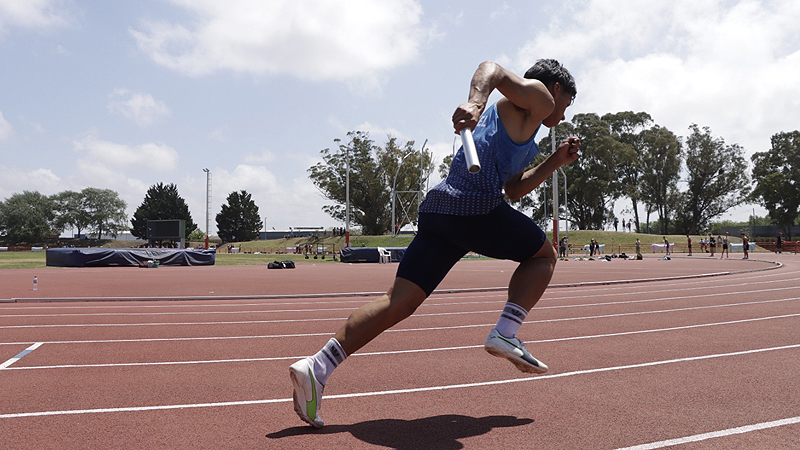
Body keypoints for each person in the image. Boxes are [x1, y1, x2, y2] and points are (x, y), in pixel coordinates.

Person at [289, 59, 580, 428]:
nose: (564, 112)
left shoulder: (526, 129)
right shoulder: (539, 97)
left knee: (399, 301)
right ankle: (507, 332)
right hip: (475, 208)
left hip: (442, 209)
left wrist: (556, 160)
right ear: (557, 89)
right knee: (544, 256)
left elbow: (514, 189)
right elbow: (491, 69)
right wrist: (474, 102)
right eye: (568, 102)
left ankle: (317, 367)